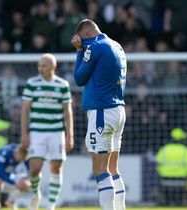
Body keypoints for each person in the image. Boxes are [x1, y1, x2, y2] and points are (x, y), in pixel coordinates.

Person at [71, 19, 127, 210]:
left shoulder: (94, 46)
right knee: (113, 169)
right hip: (118, 110)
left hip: (102, 111)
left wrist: (79, 51)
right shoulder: (117, 45)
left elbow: (79, 78)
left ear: (86, 35)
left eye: (82, 41)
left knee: (100, 170)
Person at [20, 53, 74, 210]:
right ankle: (36, 194)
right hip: (37, 131)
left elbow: (68, 112)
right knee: (35, 167)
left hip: (57, 132)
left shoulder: (62, 85)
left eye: (44, 65)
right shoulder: (32, 83)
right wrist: (24, 133)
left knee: (56, 168)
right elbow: (25, 110)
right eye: (39, 65)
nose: (40, 68)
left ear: (53, 67)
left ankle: (51, 205)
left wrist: (70, 135)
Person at [156, 128, 187, 206]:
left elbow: (158, 165)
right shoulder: (186, 150)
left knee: (167, 201)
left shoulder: (164, 149)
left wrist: (163, 173)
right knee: (178, 202)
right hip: (181, 181)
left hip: (165, 180)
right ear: (180, 139)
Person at [0, 143, 30, 210]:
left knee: (27, 184)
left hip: (11, 176)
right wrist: (15, 182)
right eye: (21, 159)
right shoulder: (4, 152)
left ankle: (11, 201)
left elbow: (29, 169)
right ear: (17, 153)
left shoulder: (23, 152)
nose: (21, 161)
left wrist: (25, 179)